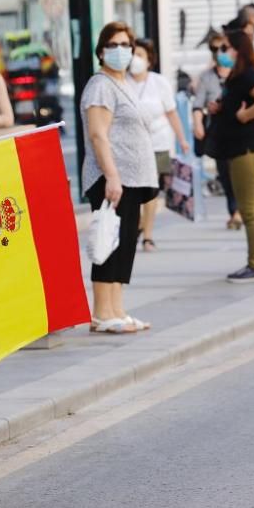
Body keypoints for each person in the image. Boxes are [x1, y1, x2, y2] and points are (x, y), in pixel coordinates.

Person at [80, 21, 157, 334]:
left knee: (124, 243)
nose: (120, 51)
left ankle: (117, 309)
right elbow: (98, 135)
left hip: (133, 179)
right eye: (113, 45)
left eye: (126, 45)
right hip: (113, 178)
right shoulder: (100, 85)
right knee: (108, 243)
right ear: (101, 51)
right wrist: (112, 176)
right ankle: (101, 312)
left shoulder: (123, 83)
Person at [213, 18, 254, 283]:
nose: (221, 53)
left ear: (238, 49)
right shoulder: (236, 78)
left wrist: (244, 116)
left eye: (226, 48)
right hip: (240, 152)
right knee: (250, 209)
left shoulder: (248, 75)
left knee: (249, 211)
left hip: (248, 152)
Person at [129, 38, 189, 251]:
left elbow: (171, 113)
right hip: (131, 145)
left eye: (140, 55)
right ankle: (137, 224)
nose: (135, 60)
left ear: (149, 59)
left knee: (150, 189)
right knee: (134, 191)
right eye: (132, 54)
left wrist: (182, 139)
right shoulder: (121, 82)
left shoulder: (158, 82)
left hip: (157, 143)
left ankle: (148, 235)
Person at [193, 30, 241, 229]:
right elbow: (198, 104)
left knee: (241, 173)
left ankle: (243, 210)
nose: (219, 53)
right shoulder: (207, 77)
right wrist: (197, 125)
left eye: (223, 48)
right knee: (226, 174)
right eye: (214, 49)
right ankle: (235, 212)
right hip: (219, 133)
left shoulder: (241, 73)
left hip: (241, 132)